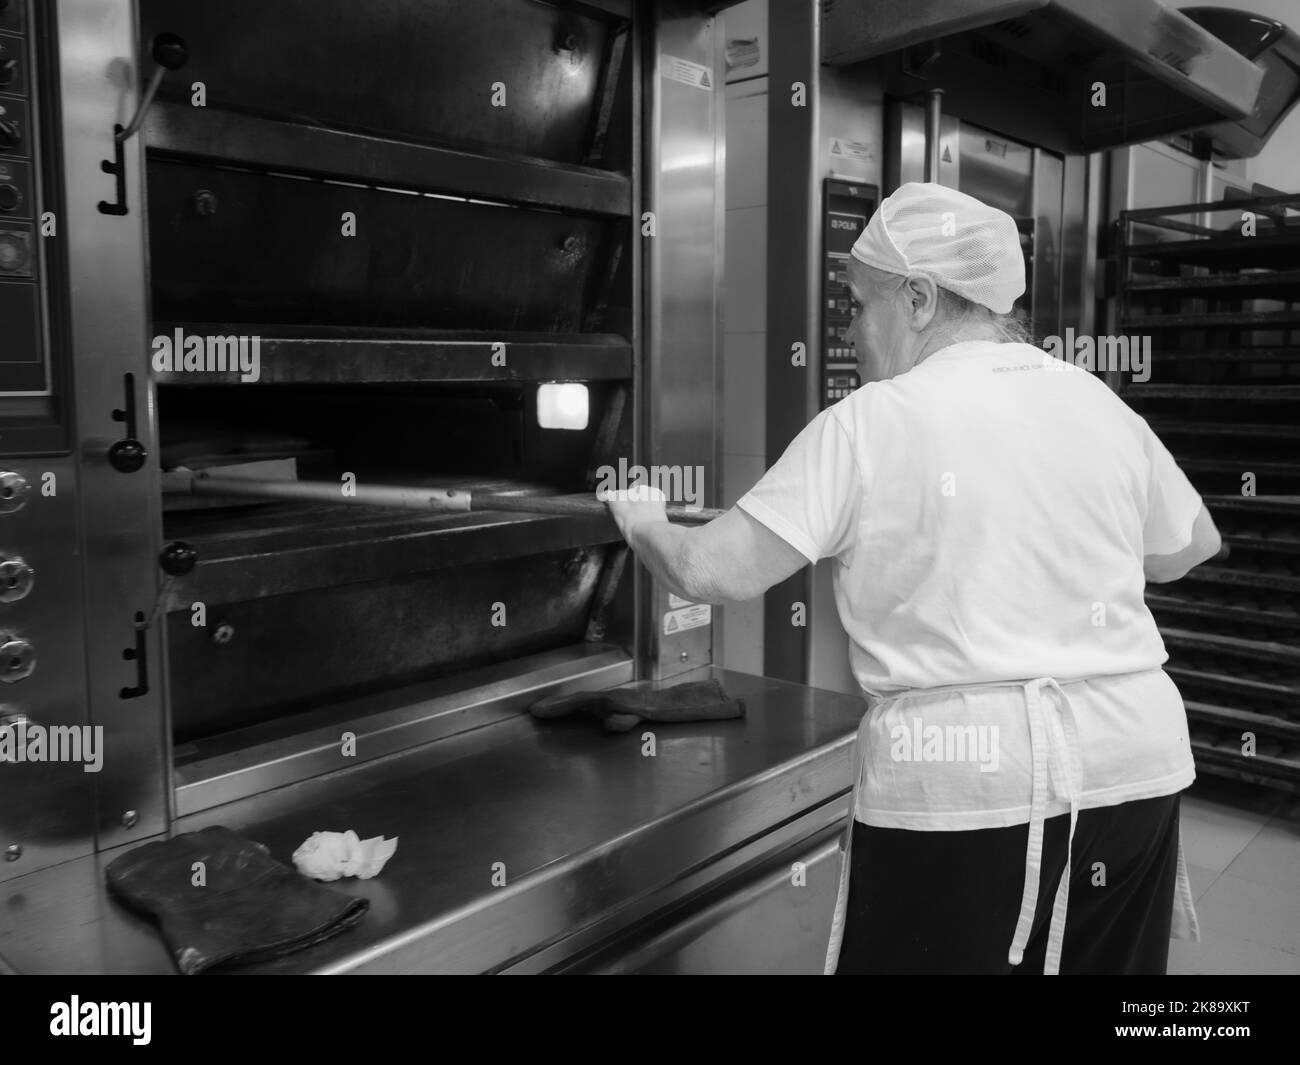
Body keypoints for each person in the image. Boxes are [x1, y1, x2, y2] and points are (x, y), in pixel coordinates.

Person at [602, 182, 1222, 975]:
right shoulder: (1095, 400)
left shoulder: (874, 420)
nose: (851, 330)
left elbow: (710, 568)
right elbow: (1187, 546)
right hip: (1135, 771)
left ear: (920, 298)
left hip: (967, 790)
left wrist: (643, 518)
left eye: (859, 305)